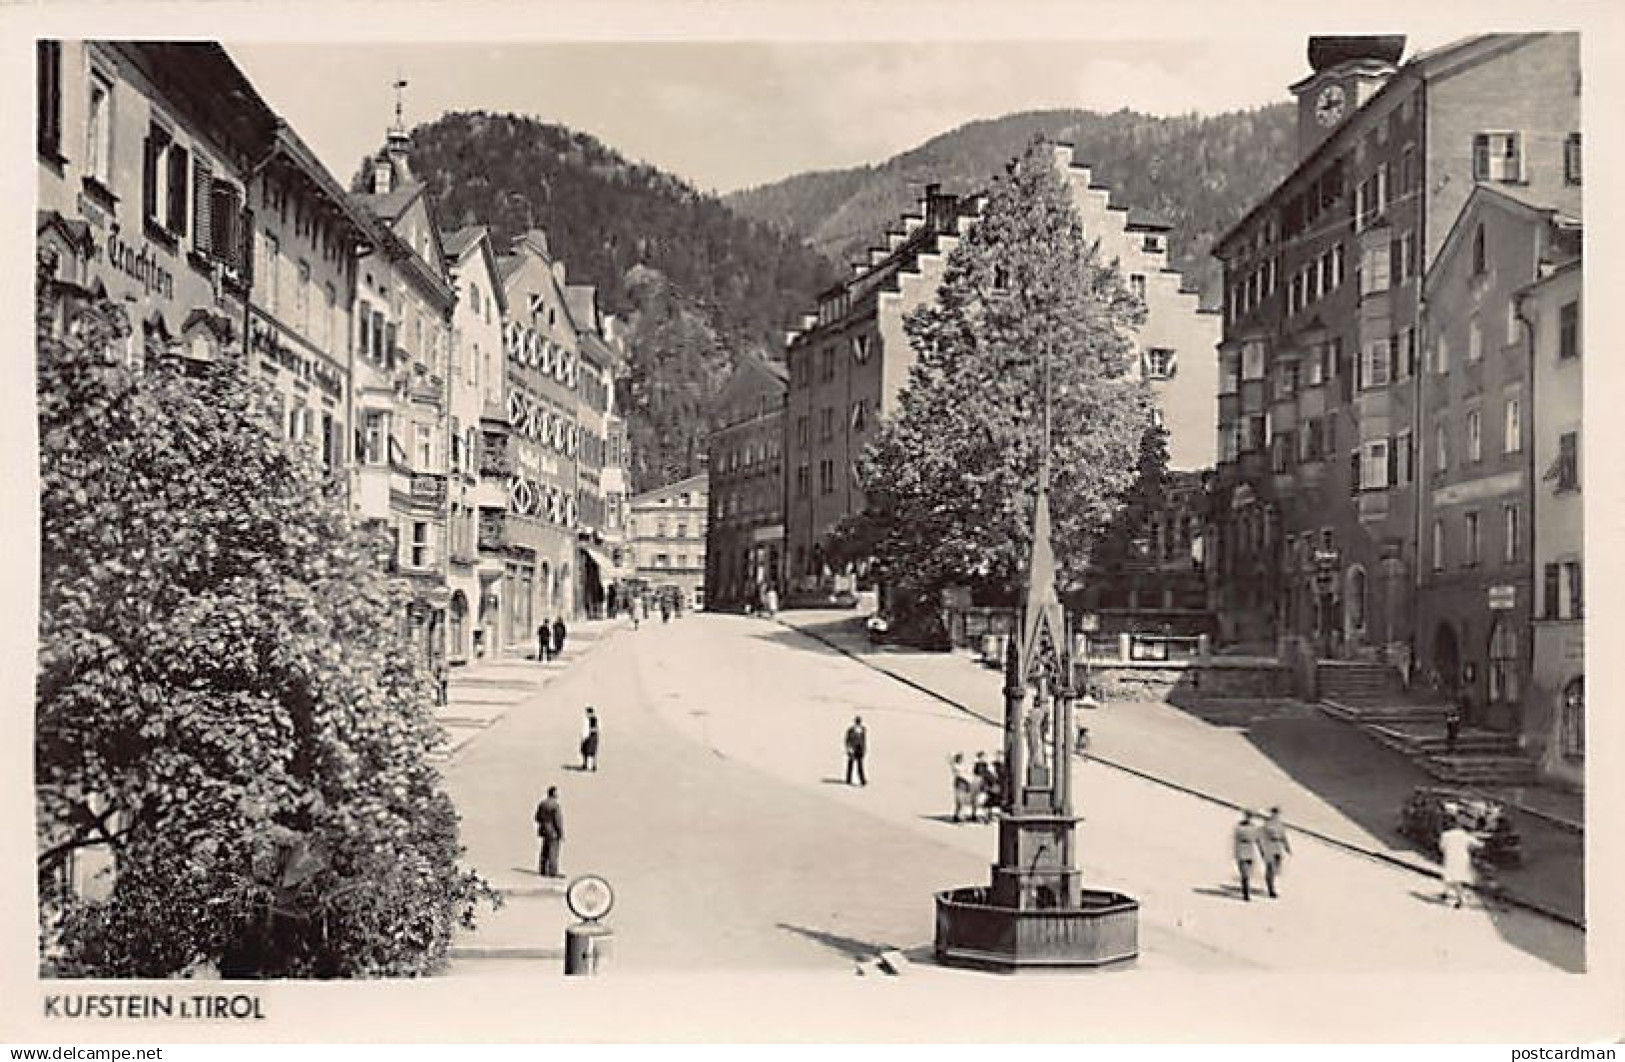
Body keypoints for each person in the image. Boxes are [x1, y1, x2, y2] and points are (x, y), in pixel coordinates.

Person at [1439, 815, 1481, 909]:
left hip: (1451, 857)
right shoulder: (1464, 835)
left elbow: (1442, 848)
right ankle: (1445, 892)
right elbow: (1477, 844)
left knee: (1453, 878)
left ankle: (1460, 899)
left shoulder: (1445, 835)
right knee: (1453, 877)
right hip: (1462, 858)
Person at [1259, 806, 1292, 898]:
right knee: (1271, 868)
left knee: (1277, 869)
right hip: (1269, 846)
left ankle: (1271, 883)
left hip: (1278, 847)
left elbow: (1283, 836)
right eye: (1275, 813)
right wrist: (1263, 850)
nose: (1276, 815)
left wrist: (1287, 847)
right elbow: (1261, 838)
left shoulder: (1280, 825)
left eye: (1277, 814)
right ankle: (1271, 889)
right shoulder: (1267, 825)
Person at [534, 786, 564, 877]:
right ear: (554, 793)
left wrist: (544, 824)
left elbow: (537, 817)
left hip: (544, 830)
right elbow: (557, 820)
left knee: (544, 850)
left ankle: (542, 870)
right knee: (553, 852)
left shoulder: (542, 804)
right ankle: (553, 872)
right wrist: (560, 832)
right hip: (553, 831)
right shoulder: (555, 805)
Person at [1232, 811, 1261, 902]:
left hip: (1250, 851)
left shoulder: (1254, 828)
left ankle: (1246, 890)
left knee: (1248, 873)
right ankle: (1246, 893)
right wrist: (1236, 853)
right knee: (1244, 874)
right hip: (1242, 850)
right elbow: (1236, 840)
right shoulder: (1240, 827)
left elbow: (1258, 840)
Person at [950, 753, 977, 823]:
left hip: (964, 784)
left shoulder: (960, 766)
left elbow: (967, 772)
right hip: (960, 784)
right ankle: (956, 816)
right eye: (960, 758)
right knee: (959, 801)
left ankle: (958, 816)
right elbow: (960, 774)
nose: (961, 759)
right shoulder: (956, 766)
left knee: (963, 801)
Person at [972, 752, 998, 823]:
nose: (984, 758)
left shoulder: (985, 765)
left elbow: (987, 773)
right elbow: (980, 774)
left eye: (984, 757)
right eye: (983, 757)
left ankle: (987, 815)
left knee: (988, 800)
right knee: (980, 800)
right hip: (981, 784)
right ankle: (978, 815)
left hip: (986, 784)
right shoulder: (978, 765)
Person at [844, 715, 868, 786]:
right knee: (851, 765)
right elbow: (847, 740)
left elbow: (863, 740)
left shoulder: (863, 729)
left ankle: (862, 780)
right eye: (857, 721)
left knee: (860, 765)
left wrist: (864, 749)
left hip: (859, 749)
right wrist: (849, 748)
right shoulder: (851, 730)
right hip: (852, 748)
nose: (858, 723)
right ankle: (848, 779)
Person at [579, 707, 600, 772]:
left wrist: (585, 735)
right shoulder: (594, 719)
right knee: (591, 751)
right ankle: (592, 765)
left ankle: (587, 765)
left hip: (590, 736)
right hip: (594, 736)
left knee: (586, 750)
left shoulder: (591, 719)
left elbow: (591, 728)